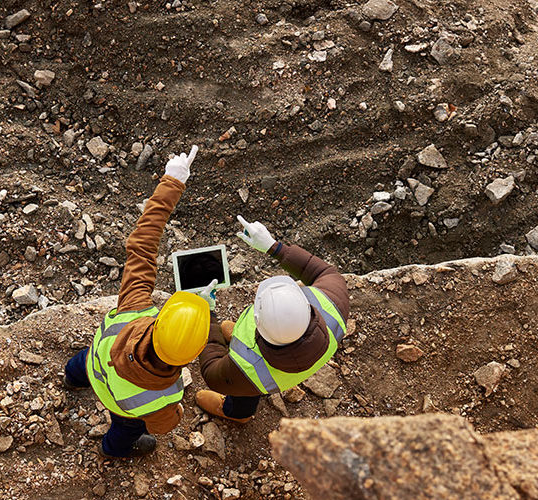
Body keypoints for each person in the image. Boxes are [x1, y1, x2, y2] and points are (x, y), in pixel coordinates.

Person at [62, 145, 210, 458]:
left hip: (96, 364)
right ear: (190, 357)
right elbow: (161, 425)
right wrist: (179, 415)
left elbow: (142, 244)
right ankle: (113, 451)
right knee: (126, 431)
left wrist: (173, 181)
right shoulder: (168, 393)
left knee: (80, 365)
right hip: (121, 407)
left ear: (161, 320)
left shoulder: (135, 307)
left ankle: (72, 379)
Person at [195, 216, 350, 424]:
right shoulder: (333, 307)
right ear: (305, 305)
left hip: (252, 376)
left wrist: (208, 315)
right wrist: (274, 247)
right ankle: (238, 344)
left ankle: (237, 414)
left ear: (257, 322)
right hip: (298, 359)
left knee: (244, 392)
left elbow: (211, 370)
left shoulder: (246, 369)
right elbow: (324, 271)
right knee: (248, 381)